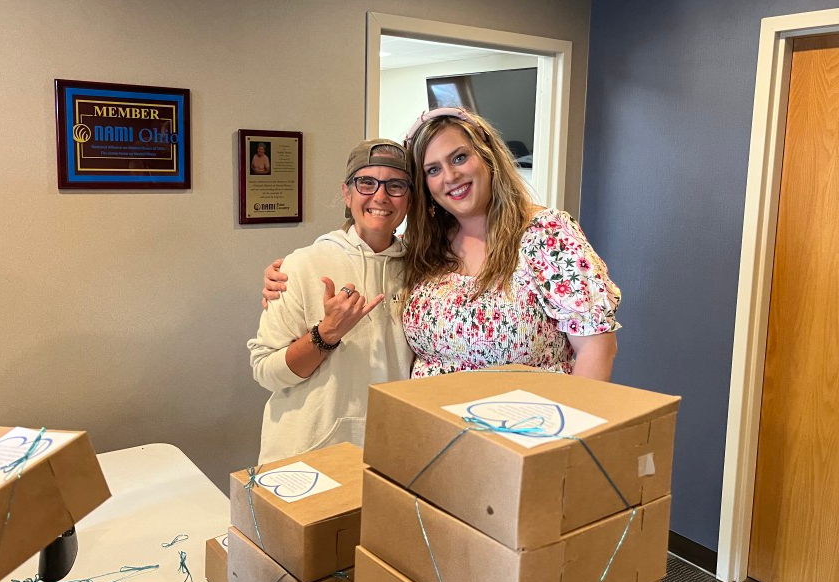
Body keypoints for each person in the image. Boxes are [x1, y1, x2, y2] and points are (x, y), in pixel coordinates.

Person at [263, 108, 620, 381]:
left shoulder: (545, 235)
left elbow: (597, 348)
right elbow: (367, 258)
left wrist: (568, 439)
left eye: (459, 158)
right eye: (432, 170)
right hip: (431, 443)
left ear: (489, 158)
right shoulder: (422, 248)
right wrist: (287, 277)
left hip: (523, 443)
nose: (450, 176)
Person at [248, 139, 415, 463]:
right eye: (367, 182)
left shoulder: (423, 271)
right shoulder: (302, 265)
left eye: (395, 185)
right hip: (306, 456)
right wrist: (324, 335)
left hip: (391, 457)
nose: (380, 196)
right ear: (347, 192)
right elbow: (265, 371)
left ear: (409, 198)